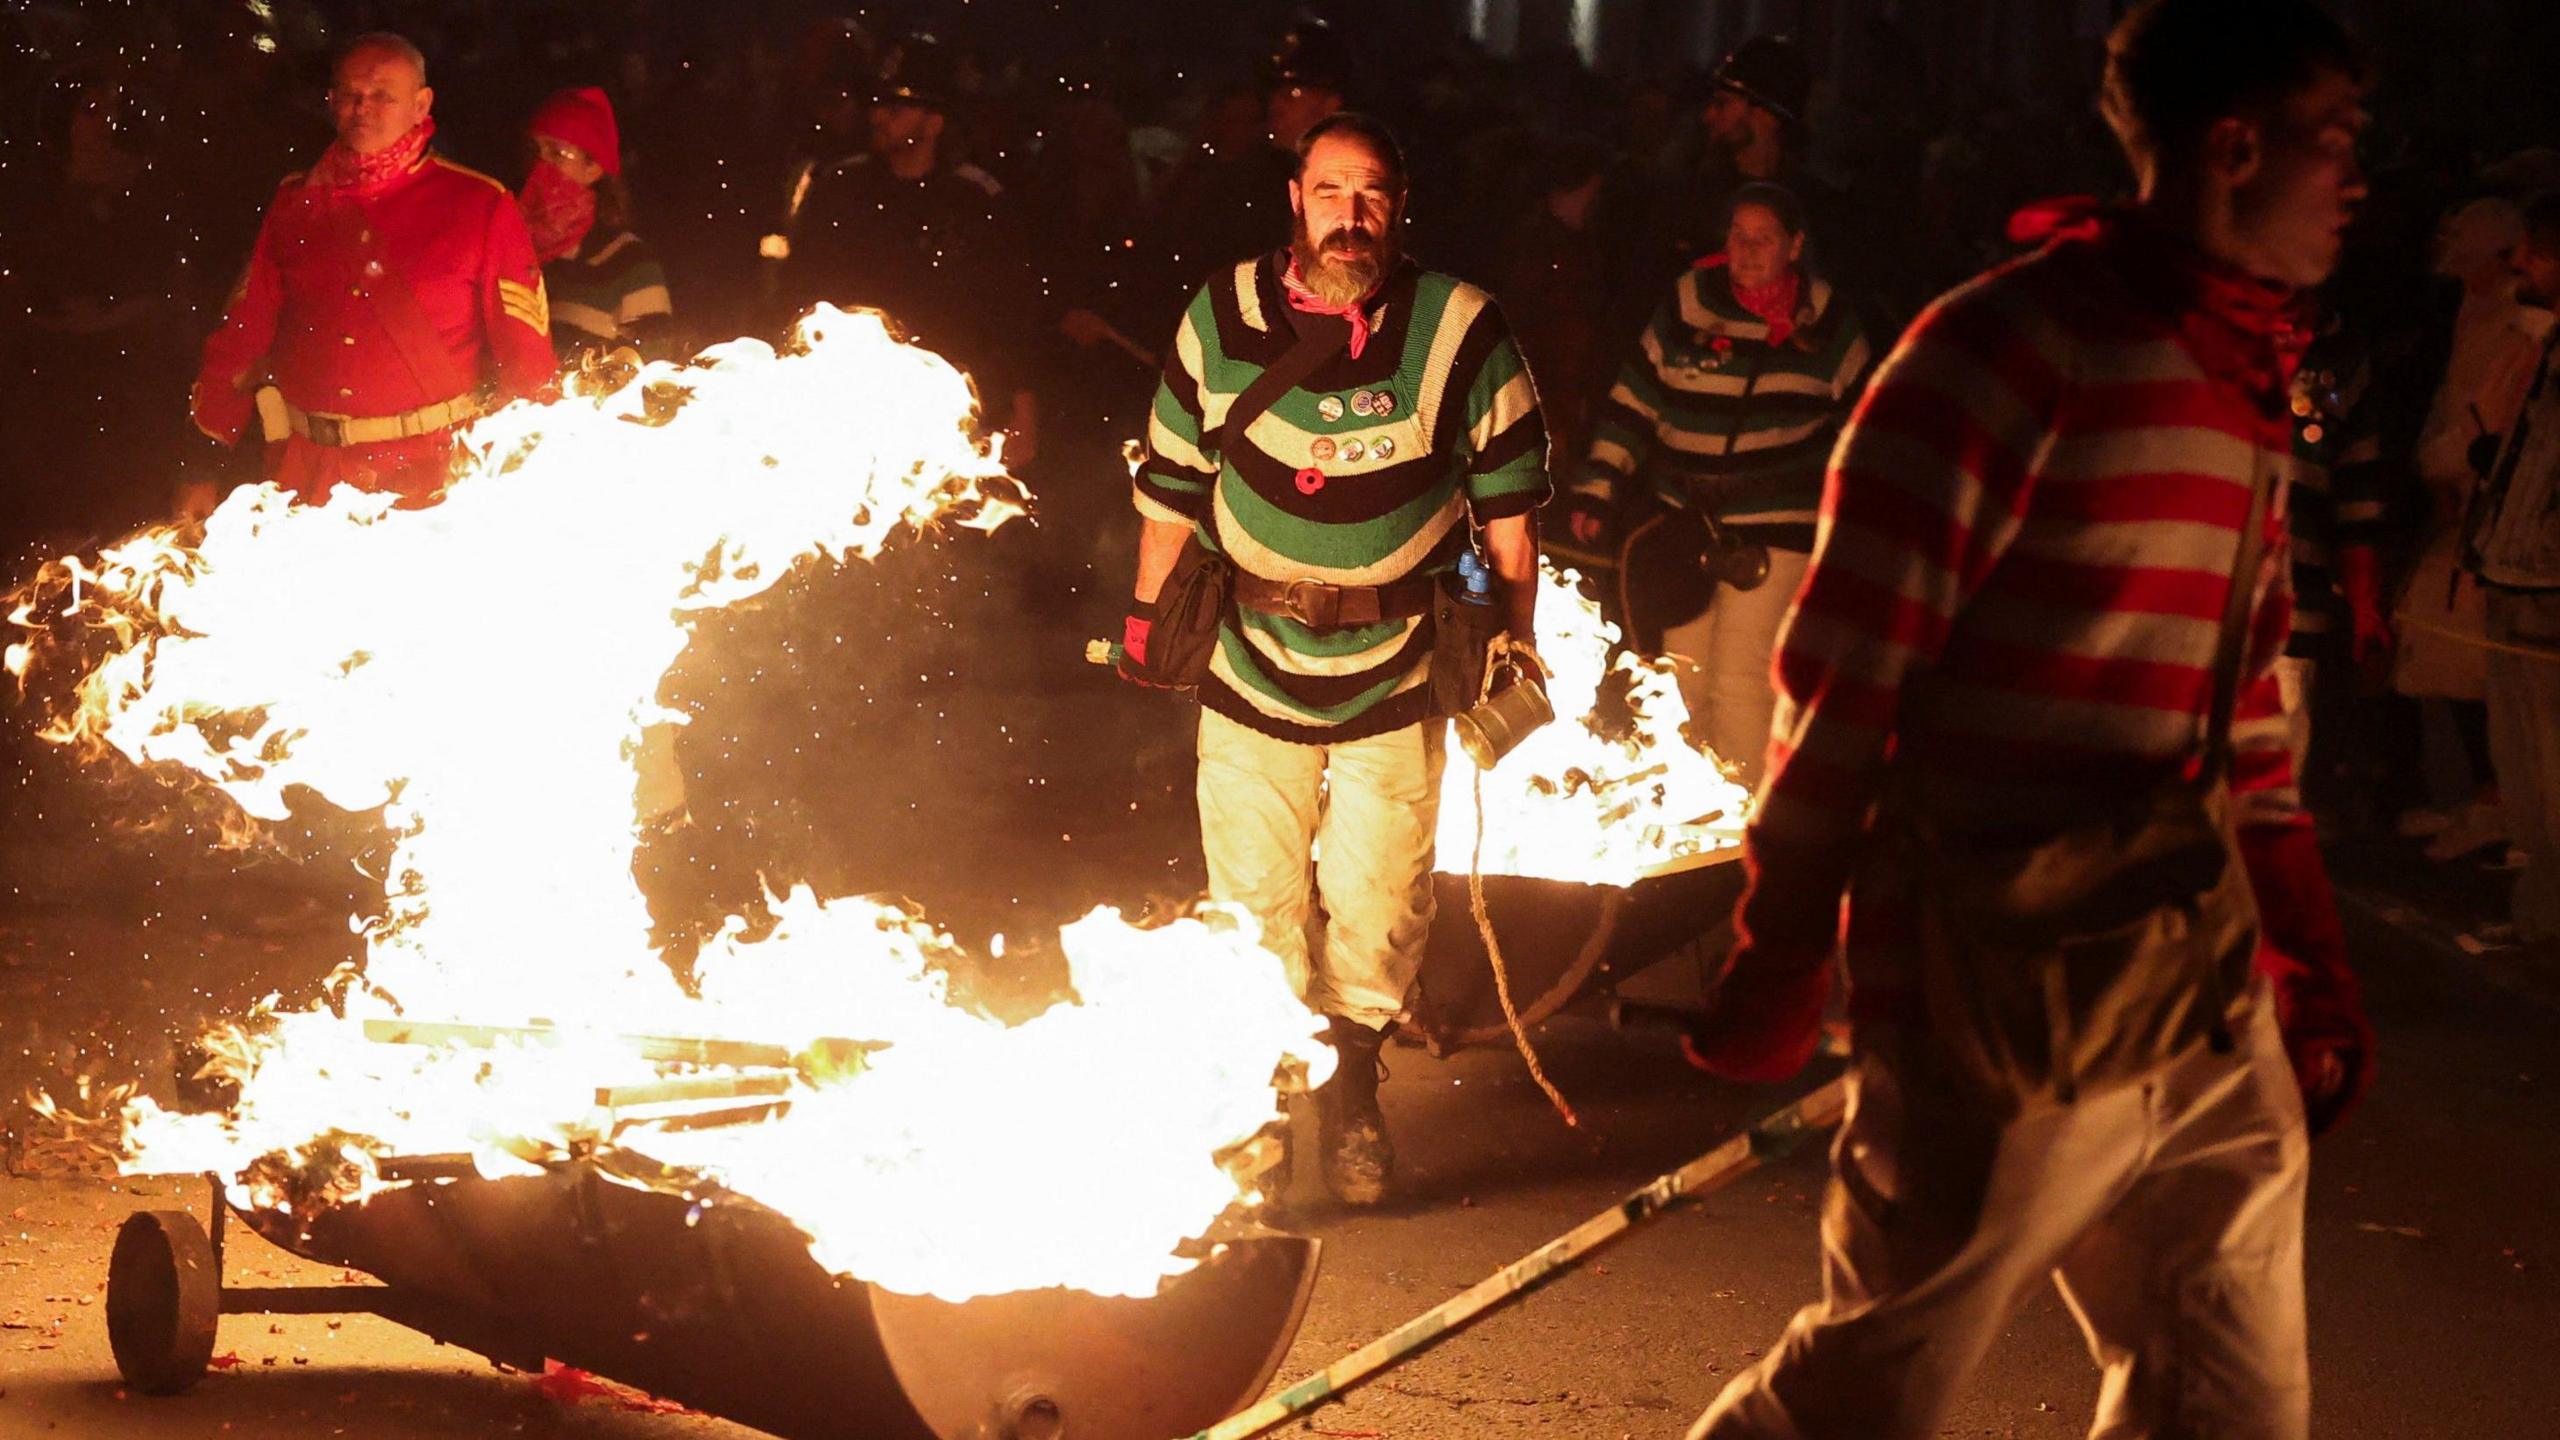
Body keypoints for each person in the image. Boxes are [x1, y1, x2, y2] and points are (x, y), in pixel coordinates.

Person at [1681, 3, 2375, 1435]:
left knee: (2229, 1399)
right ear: (2233, 146)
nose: (2358, 179)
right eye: (2336, 141)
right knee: (1867, 1392)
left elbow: (2241, 710)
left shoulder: (2245, 382)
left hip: (2197, 980)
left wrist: (2300, 945)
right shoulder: (2004, 354)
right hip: (2001, 987)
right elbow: (1845, 673)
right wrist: (1784, 948)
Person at [1121, 113, 1548, 1206]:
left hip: (1399, 671)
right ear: (1294, 200)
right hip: (1249, 664)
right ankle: (1259, 1126)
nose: (1348, 216)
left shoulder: (1462, 329)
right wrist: (1143, 621)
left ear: (1398, 204)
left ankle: (1352, 1091)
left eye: (1369, 194)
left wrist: (1517, 642)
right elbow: (1169, 486)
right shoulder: (1218, 317)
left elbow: (1505, 517)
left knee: (1379, 905)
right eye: (1328, 192)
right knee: (1252, 904)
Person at [1564, 182, 1870, 785]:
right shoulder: (1691, 302)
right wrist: (1599, 483)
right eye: (1738, 235)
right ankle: (1695, 815)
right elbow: (1637, 397)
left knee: (1739, 680)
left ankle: (1747, 834)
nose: (1748, 250)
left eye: (1764, 239)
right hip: (1685, 522)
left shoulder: (1825, 318)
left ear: (1795, 245)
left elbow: (1871, 420)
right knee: (1681, 680)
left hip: (1778, 527)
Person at [190, 32, 556, 507]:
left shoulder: (479, 204)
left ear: (421, 104)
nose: (362, 109)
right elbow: (245, 331)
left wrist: (527, 469)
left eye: (383, 96)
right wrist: (200, 458)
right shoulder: (297, 203)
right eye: (349, 94)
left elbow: (526, 359)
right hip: (308, 480)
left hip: (433, 481)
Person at [779, 32, 1040, 465]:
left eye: (896, 109)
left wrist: (1024, 412)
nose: (879, 117)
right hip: (849, 404)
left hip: (951, 407)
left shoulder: (974, 200)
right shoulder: (840, 190)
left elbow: (1010, 313)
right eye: (878, 105)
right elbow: (801, 294)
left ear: (934, 122)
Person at [2390, 195, 2547, 857]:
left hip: (2507, 510)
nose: (2443, 238)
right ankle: (2485, 797)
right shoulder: (2461, 311)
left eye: (2459, 232)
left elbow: (2501, 414)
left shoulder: (2524, 324)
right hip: (2465, 504)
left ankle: (2503, 805)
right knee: (2447, 651)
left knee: (2491, 662)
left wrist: (2448, 462)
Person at [2466, 193, 2560, 950]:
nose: (2519, 264)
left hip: (2550, 583)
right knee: (2526, 770)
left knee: (2555, 769)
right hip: (2515, 570)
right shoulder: (2542, 344)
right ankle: (2541, 916)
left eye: (2534, 251)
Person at [521, 87, 674, 365]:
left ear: (593, 168)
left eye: (556, 153)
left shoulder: (629, 261)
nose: (541, 166)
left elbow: (654, 369)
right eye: (535, 152)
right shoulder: (512, 251)